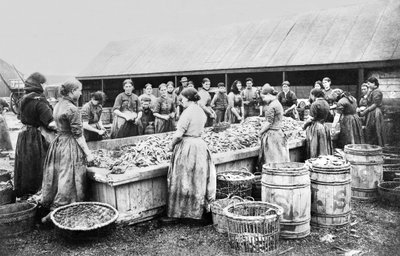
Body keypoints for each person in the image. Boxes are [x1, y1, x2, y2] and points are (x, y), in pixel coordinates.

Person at [41, 79, 93, 219]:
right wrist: (88, 154)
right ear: (71, 92)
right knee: (68, 176)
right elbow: (78, 135)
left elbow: (55, 124)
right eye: (79, 90)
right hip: (69, 144)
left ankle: (52, 206)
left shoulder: (58, 105)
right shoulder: (72, 109)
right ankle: (63, 210)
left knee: (58, 175)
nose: (81, 93)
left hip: (58, 143)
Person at [166, 87, 216, 221]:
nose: (181, 100)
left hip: (188, 146)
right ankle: (198, 211)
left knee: (184, 178)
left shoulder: (187, 113)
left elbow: (178, 134)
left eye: (182, 98)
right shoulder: (201, 111)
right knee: (198, 179)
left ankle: (182, 212)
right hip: (200, 145)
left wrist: (170, 146)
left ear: (188, 98)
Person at [14, 72, 55, 198]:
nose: (45, 85)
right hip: (36, 136)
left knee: (26, 165)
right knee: (38, 165)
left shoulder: (24, 99)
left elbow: (20, 116)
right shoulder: (39, 100)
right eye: (44, 83)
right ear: (39, 84)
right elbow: (50, 122)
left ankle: (25, 194)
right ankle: (39, 195)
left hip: (24, 135)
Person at [258, 84, 290, 168]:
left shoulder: (272, 106)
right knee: (280, 157)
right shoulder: (277, 103)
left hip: (272, 136)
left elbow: (269, 123)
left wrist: (260, 132)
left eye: (264, 97)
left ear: (268, 95)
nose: (264, 100)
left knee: (272, 160)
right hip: (279, 133)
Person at [303, 88, 333, 159]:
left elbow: (310, 119)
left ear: (314, 95)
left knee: (315, 148)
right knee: (323, 148)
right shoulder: (326, 103)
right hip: (324, 126)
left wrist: (303, 126)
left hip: (316, 127)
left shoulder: (315, 104)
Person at [360, 77, 384, 146]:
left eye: (369, 84)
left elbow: (375, 104)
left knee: (374, 129)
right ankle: (372, 145)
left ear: (373, 83)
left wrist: (365, 111)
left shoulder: (377, 92)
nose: (368, 85)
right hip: (371, 112)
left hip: (375, 112)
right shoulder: (373, 91)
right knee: (370, 129)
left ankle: (376, 146)